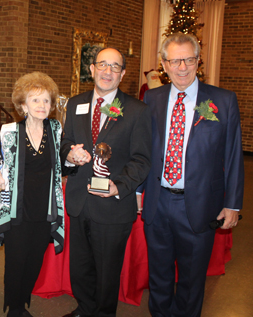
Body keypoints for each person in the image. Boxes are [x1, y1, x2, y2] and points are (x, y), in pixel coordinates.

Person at [138, 33, 244, 317]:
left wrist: (233, 204)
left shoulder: (223, 100)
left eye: (188, 59)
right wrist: (138, 190)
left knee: (191, 279)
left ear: (198, 61)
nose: (182, 67)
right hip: (158, 202)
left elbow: (233, 155)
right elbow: (144, 149)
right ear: (164, 63)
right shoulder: (152, 98)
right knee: (159, 276)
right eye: (175, 60)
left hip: (199, 205)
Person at [60, 47, 152, 317]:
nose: (107, 71)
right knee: (80, 266)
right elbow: (65, 140)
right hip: (78, 200)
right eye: (102, 65)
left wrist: (119, 185)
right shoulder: (75, 104)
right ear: (92, 69)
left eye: (114, 67)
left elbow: (142, 159)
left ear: (123, 73)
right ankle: (84, 308)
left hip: (112, 206)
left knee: (107, 271)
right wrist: (69, 153)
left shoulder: (137, 110)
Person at [0, 72, 65, 317]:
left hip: (45, 211)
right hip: (16, 210)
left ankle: (22, 302)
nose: (42, 106)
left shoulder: (56, 130)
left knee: (34, 262)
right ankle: (14, 309)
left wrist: (75, 158)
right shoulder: (8, 131)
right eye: (35, 100)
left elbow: (64, 165)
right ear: (23, 105)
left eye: (46, 101)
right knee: (16, 263)